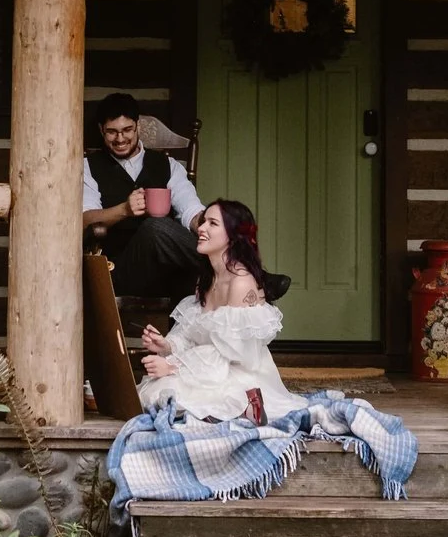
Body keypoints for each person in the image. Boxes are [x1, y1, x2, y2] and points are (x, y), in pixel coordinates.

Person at [136, 199, 298, 423]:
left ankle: (247, 407)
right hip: (207, 368)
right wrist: (167, 346)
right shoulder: (206, 279)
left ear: (233, 236)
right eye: (203, 222)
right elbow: (194, 333)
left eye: (212, 223)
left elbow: (232, 352)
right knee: (154, 394)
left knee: (175, 396)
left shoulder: (240, 283)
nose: (201, 228)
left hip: (236, 372)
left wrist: (174, 366)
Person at [81, 92, 204, 298]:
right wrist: (124, 210)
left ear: (137, 126)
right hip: (119, 271)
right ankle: (238, 269)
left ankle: (236, 268)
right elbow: (86, 218)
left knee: (219, 227)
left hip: (169, 272)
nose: (120, 139)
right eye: (112, 132)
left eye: (127, 130)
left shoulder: (168, 165)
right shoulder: (89, 167)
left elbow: (190, 209)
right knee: (154, 226)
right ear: (101, 130)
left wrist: (210, 225)